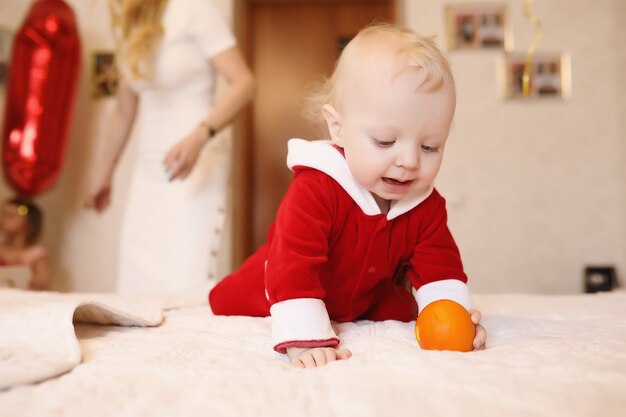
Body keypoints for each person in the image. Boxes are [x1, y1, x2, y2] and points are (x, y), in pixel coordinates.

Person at [209, 24, 487, 368]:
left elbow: (440, 272)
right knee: (224, 300)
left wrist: (456, 318)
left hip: (365, 295)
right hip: (275, 279)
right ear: (337, 128)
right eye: (386, 141)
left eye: (429, 146)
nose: (409, 161)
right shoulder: (317, 188)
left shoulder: (426, 206)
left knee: (402, 309)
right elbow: (292, 265)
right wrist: (305, 338)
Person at [85, 0, 254, 295]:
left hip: (195, 158)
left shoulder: (195, 9)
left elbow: (244, 83)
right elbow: (124, 112)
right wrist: (103, 173)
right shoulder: (132, 24)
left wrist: (201, 134)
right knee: (137, 279)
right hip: (147, 171)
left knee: (184, 278)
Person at [0, 197, 49, 290]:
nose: (3, 220)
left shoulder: (35, 253)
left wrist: (21, 274)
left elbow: (43, 283)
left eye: (10, 216)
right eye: (3, 215)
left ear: (28, 222)